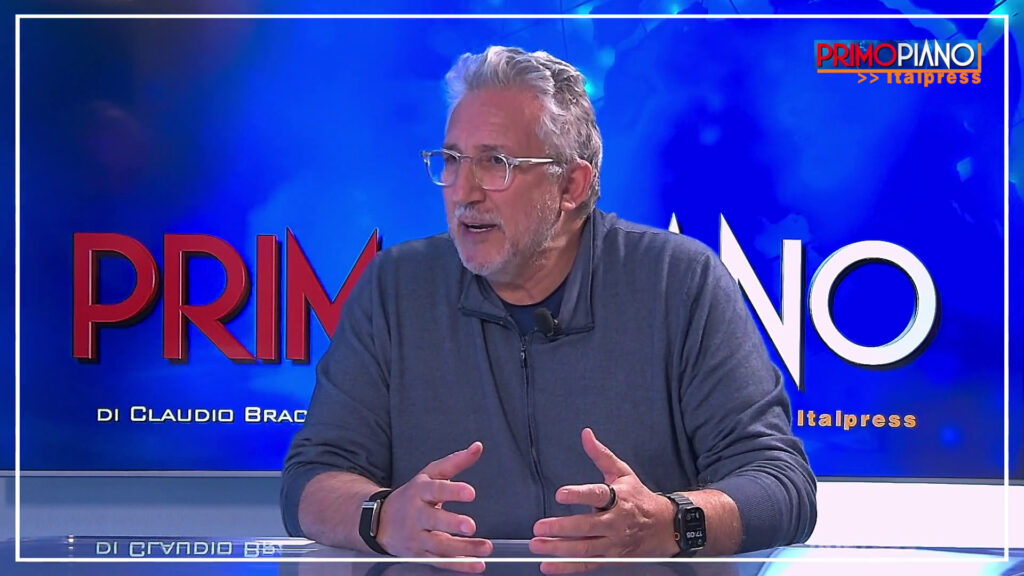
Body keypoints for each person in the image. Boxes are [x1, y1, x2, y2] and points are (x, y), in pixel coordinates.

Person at [281, 45, 816, 568]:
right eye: (452, 160)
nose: (463, 191)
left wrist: (671, 523)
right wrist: (379, 517)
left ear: (572, 186)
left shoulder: (679, 282)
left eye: (495, 163)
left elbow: (781, 485)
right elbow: (312, 478)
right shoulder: (396, 288)